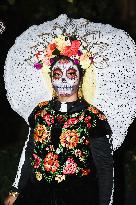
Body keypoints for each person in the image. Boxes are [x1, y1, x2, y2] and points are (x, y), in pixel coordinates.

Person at [4, 51, 114, 205]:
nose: (63, 79)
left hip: (78, 197)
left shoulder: (93, 117)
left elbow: (105, 167)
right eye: (57, 74)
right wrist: (15, 190)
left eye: (70, 73)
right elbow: (28, 153)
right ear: (51, 78)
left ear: (80, 77)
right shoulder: (40, 112)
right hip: (37, 194)